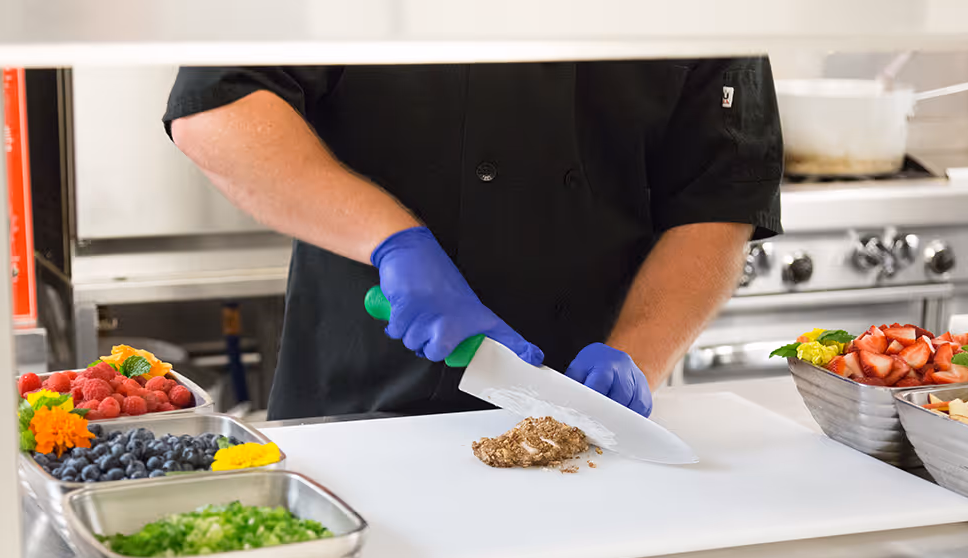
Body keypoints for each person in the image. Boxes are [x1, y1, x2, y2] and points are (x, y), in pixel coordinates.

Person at [165, 60, 782, 420]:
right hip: (362, 411)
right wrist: (393, 241)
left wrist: (640, 357)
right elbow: (219, 108)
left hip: (594, 420)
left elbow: (720, 194)